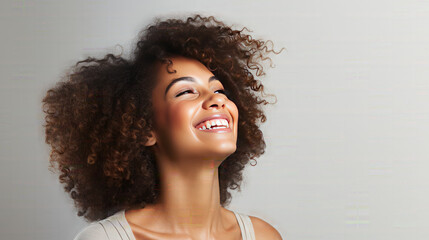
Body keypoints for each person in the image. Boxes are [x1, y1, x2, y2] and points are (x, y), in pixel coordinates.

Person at [42, 14, 283, 240]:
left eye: (218, 90)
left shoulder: (263, 236)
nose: (218, 100)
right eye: (186, 91)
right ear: (145, 128)